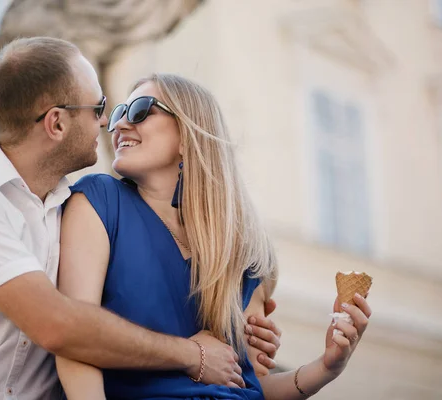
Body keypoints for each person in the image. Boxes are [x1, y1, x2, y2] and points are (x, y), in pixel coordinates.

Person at [0, 37, 280, 400]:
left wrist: (244, 336)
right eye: (100, 110)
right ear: (57, 123)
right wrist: (191, 354)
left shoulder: (76, 203)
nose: (109, 125)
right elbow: (58, 325)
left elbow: (124, 305)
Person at [56, 73, 373, 399]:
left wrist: (327, 366)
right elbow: (73, 337)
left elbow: (251, 384)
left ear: (187, 132)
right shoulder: (99, 201)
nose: (120, 124)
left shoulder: (242, 250)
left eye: (139, 110)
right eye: (119, 112)